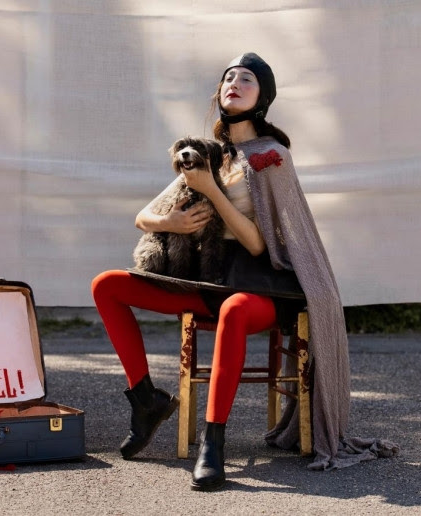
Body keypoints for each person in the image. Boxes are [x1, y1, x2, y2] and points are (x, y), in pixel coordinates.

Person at [92, 52, 397, 491]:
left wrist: (212, 192)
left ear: (263, 97)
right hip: (207, 278)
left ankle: (212, 442)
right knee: (107, 285)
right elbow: (144, 216)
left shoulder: (272, 156)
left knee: (234, 311)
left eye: (247, 78)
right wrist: (171, 223)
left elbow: (258, 243)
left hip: (260, 285)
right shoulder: (209, 154)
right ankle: (146, 401)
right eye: (228, 77)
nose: (233, 82)